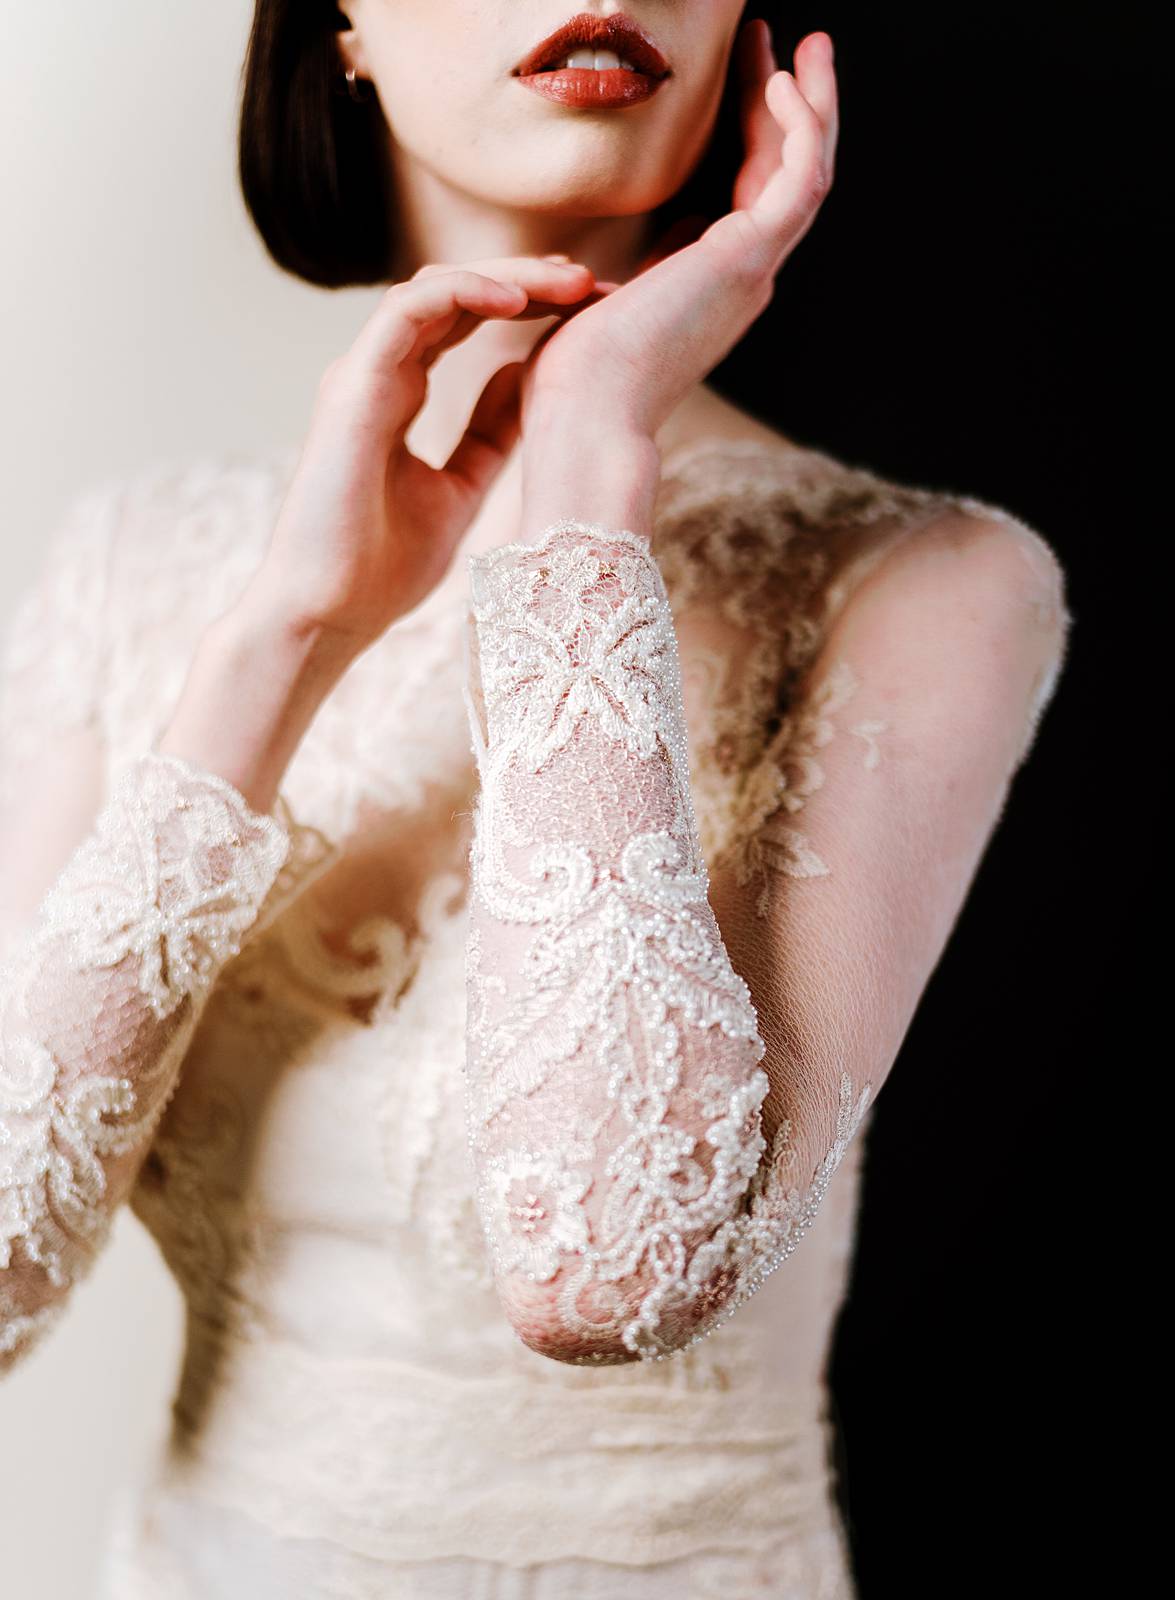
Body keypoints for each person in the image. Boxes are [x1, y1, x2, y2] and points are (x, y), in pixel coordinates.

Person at [0, 3, 1072, 1595]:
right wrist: (286, 640)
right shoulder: (131, 567)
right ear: (340, 27)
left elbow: (611, 1269)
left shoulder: (926, 584)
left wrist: (583, 462)